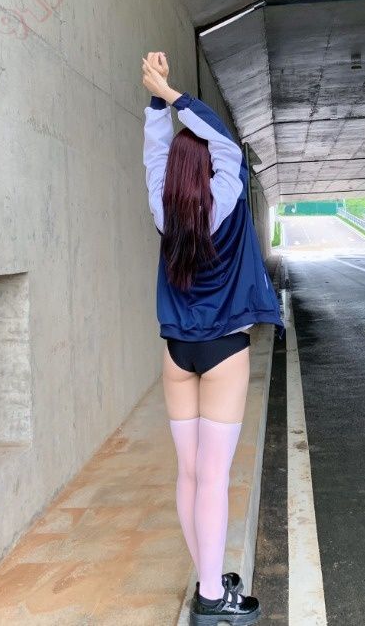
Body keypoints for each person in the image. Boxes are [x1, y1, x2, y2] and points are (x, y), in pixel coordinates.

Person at [141, 51, 284, 625]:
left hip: (177, 351)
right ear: (208, 168)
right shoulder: (223, 198)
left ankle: (207, 575)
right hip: (224, 349)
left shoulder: (164, 209)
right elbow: (226, 146)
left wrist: (156, 102)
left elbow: (155, 156)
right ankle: (210, 597)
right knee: (215, 476)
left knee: (189, 472)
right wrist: (173, 95)